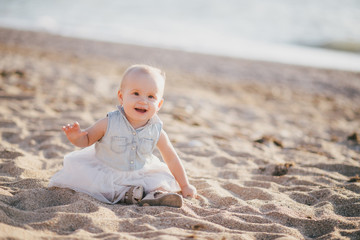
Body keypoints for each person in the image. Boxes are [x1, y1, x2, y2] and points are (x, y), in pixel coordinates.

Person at [49, 64, 197, 207]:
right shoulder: (109, 122)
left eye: (151, 96)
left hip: (141, 172)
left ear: (159, 105)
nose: (143, 100)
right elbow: (87, 139)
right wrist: (76, 137)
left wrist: (185, 185)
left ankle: (156, 195)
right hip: (107, 170)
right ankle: (128, 194)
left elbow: (171, 158)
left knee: (162, 179)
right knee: (98, 186)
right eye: (136, 93)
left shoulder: (157, 131)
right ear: (121, 96)